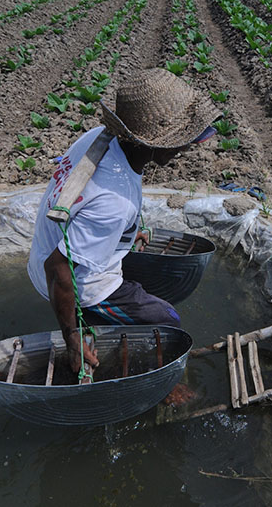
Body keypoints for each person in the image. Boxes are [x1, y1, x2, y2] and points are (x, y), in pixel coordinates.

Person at [27, 68, 221, 374]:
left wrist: (128, 232)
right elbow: (58, 268)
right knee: (167, 320)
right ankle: (163, 383)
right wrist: (72, 337)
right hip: (76, 283)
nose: (185, 147)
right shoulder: (114, 204)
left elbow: (93, 206)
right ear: (148, 141)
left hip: (43, 251)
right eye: (180, 140)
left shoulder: (101, 138)